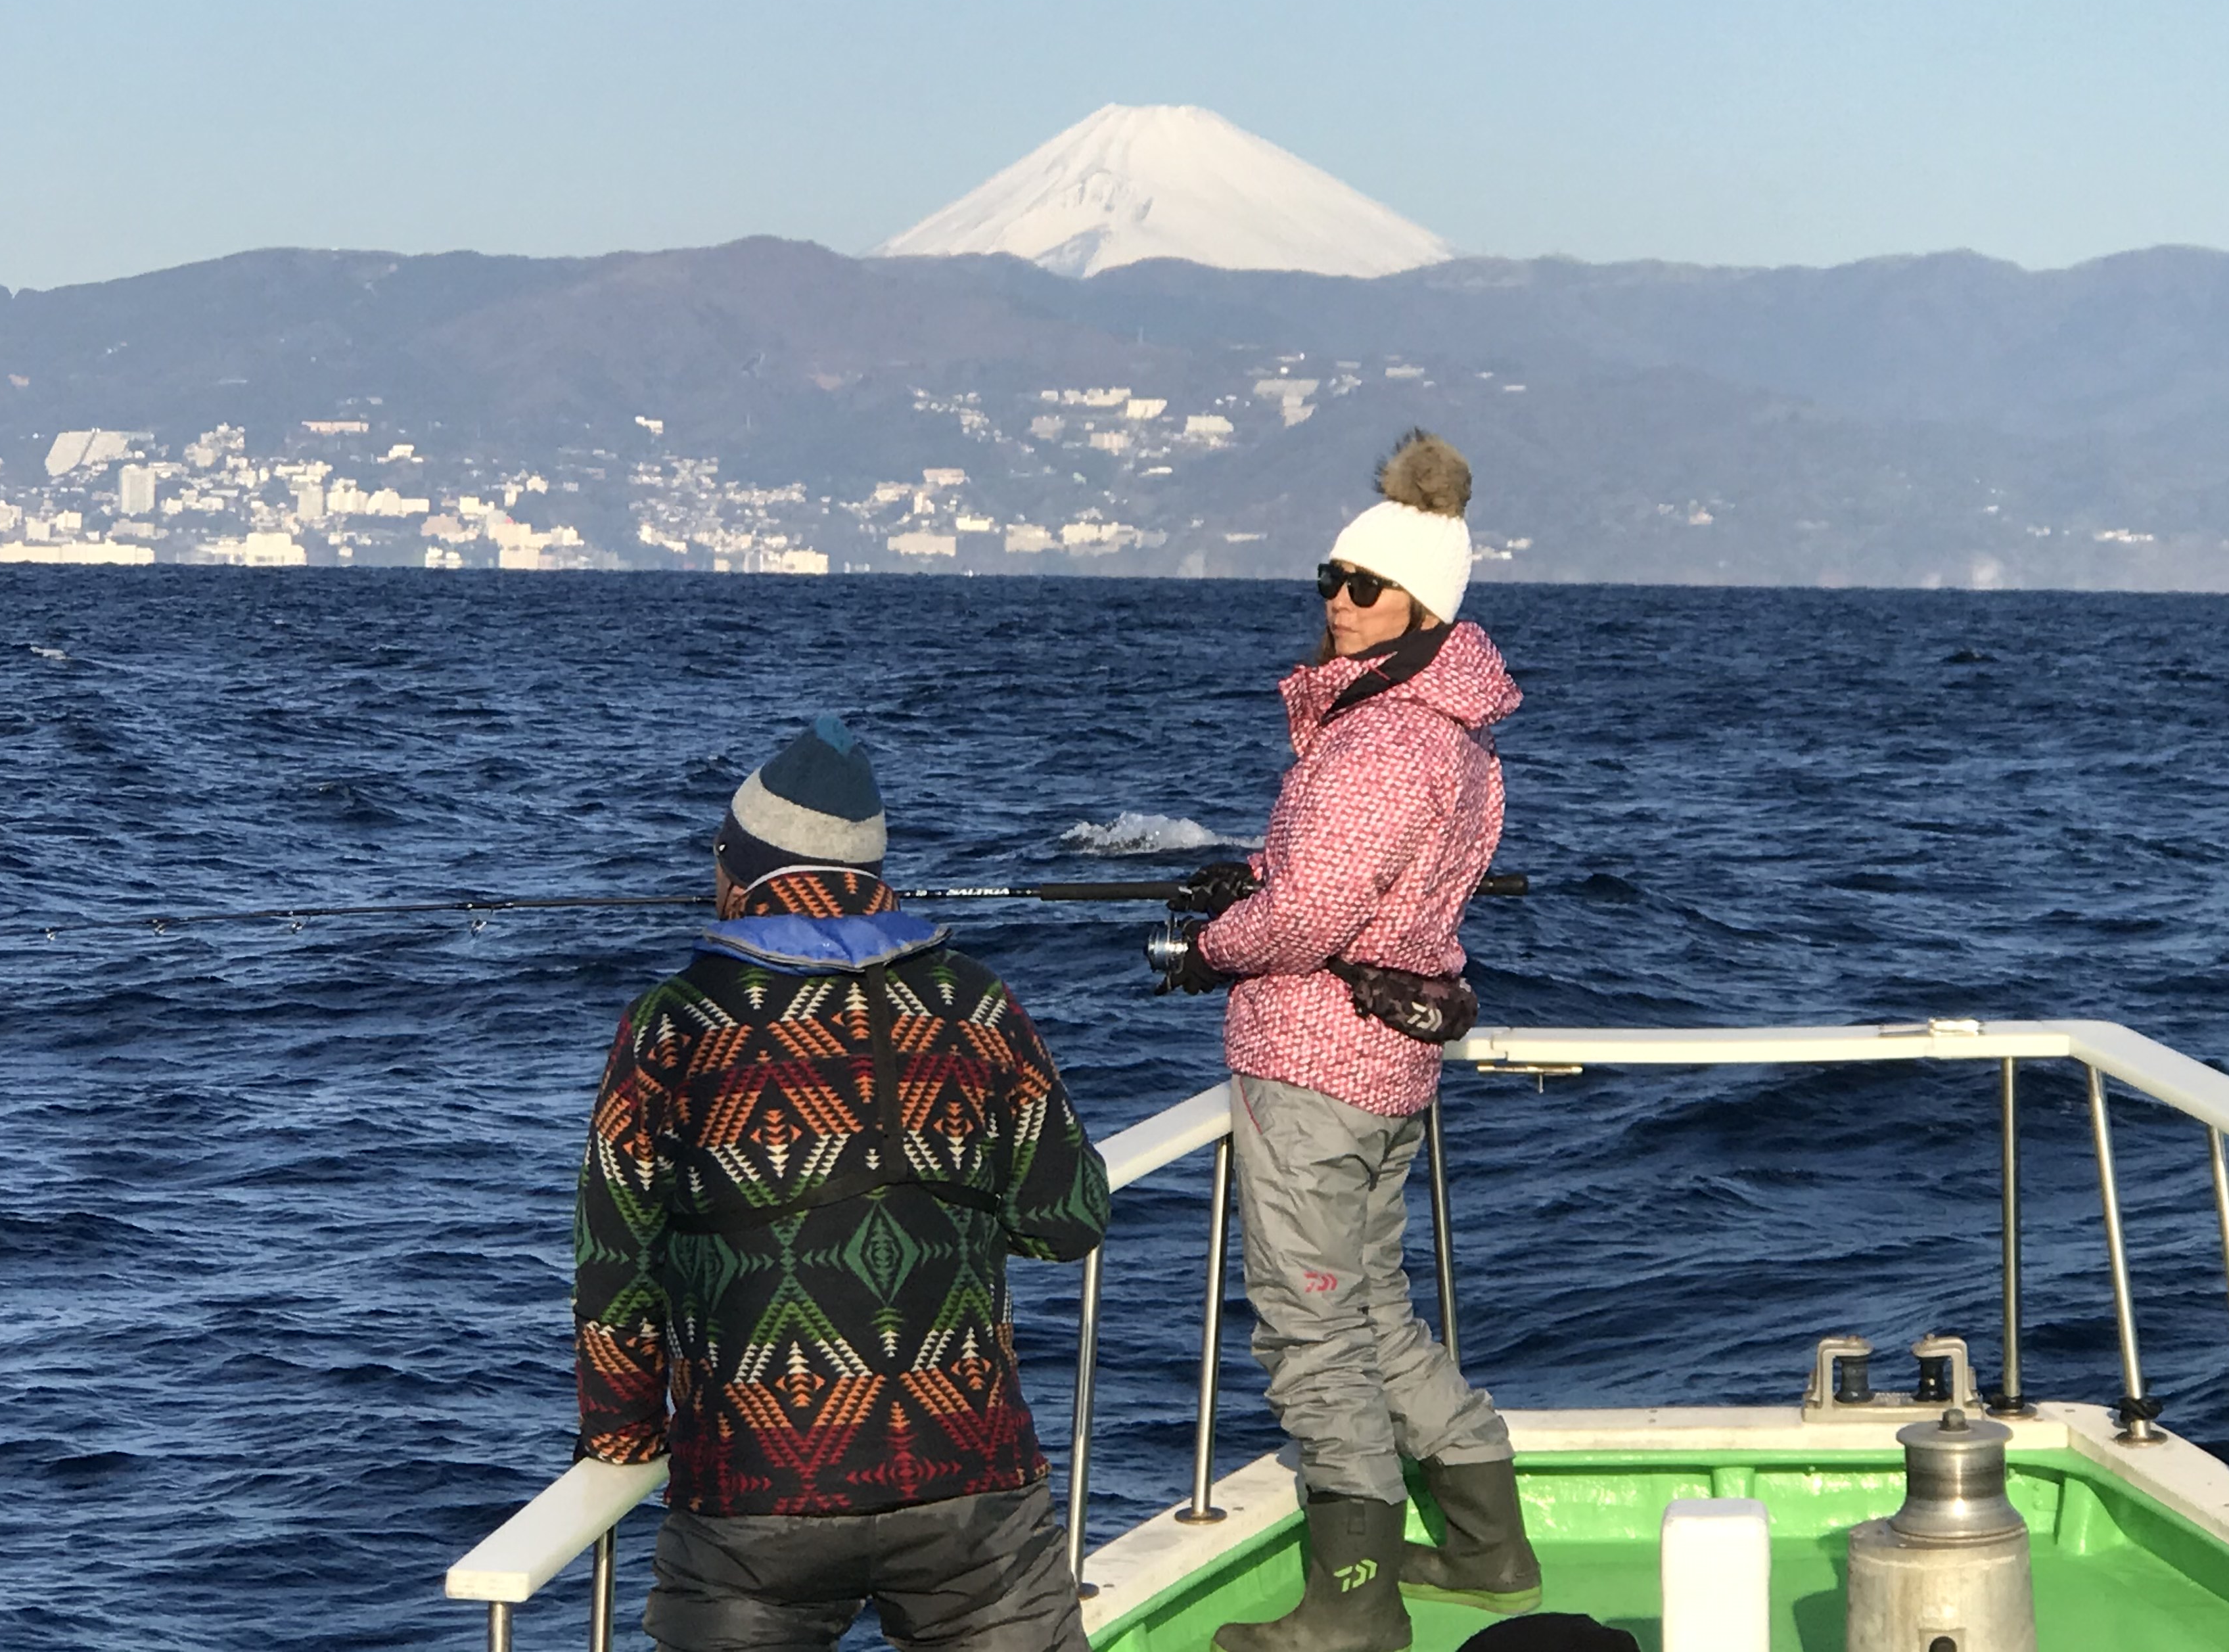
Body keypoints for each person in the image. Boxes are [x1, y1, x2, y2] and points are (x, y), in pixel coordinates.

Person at [573, 716, 1111, 1652]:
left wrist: (623, 1436)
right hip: (968, 1474)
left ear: (737, 872)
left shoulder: (672, 1025)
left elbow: (617, 1264)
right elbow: (1067, 1219)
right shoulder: (978, 1003)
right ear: (874, 883)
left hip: (752, 1487)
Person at [1176, 432, 1539, 1652]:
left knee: (1310, 1324)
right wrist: (1264, 878)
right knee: (1374, 1304)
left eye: (1361, 584)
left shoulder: (1381, 738)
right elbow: (1370, 890)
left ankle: (1353, 1609)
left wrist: (1209, 947)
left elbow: (1314, 916)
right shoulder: (1453, 733)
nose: (1336, 601)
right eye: (1328, 578)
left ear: (1420, 602)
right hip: (1390, 1068)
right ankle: (1488, 1546)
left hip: (1315, 1066)